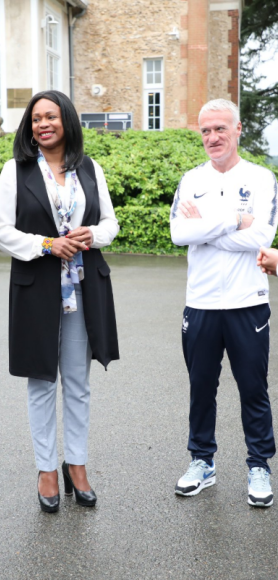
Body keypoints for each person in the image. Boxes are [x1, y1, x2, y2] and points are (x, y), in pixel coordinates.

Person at [0, 90, 120, 513]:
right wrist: (47, 244)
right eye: (35, 118)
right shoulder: (16, 170)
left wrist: (89, 236)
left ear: (66, 121)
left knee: (78, 383)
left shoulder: (88, 168)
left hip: (83, 287)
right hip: (36, 289)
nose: (42, 124)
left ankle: (76, 465)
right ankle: (47, 469)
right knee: (42, 380)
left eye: (50, 116)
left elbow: (109, 224)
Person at [170, 98, 278, 507]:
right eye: (206, 131)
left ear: (237, 131)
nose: (212, 137)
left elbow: (262, 239)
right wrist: (234, 219)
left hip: (247, 301)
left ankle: (259, 465)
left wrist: (205, 226)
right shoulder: (190, 178)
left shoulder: (262, 178)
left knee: (253, 388)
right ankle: (202, 461)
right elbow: (179, 234)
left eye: (220, 129)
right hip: (200, 303)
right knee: (201, 388)